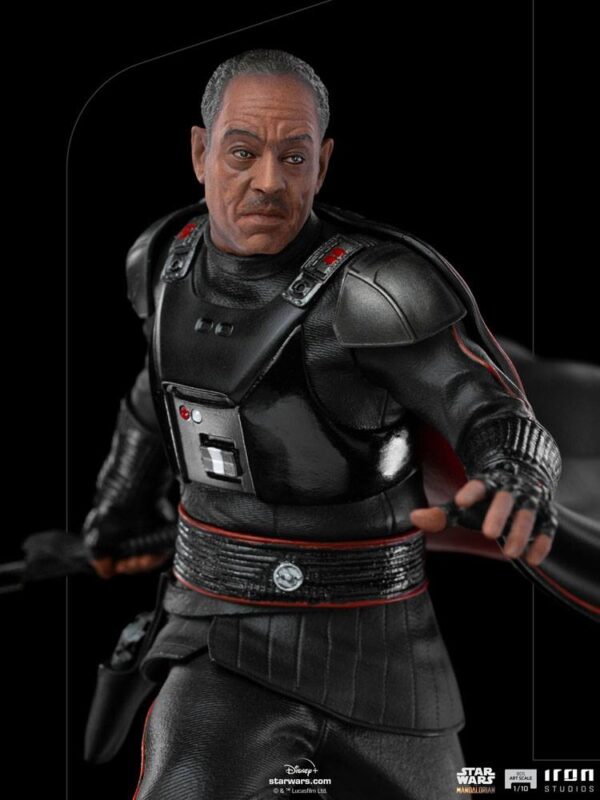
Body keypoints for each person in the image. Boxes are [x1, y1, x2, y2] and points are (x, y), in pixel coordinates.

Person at [81, 49, 562, 800]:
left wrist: (515, 472)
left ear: (323, 164)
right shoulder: (162, 262)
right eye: (242, 152)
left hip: (380, 643)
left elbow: (486, 405)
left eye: (294, 157)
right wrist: (114, 511)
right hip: (222, 630)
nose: (269, 182)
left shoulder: (376, 290)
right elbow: (156, 393)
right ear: (201, 153)